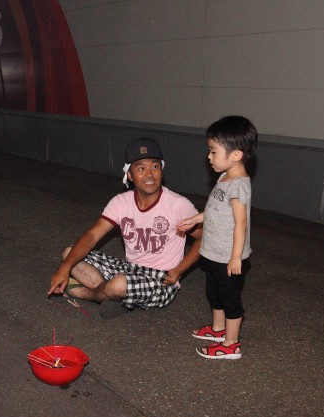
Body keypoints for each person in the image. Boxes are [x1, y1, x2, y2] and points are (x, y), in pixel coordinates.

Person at [48, 138, 203, 319]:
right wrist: (65, 267)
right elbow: (92, 235)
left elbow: (204, 238)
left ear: (161, 170)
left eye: (155, 166)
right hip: (128, 269)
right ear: (130, 175)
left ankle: (85, 293)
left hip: (161, 279)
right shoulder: (121, 202)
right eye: (141, 168)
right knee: (69, 254)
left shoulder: (177, 205)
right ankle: (116, 297)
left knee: (119, 285)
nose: (150, 174)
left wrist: (179, 270)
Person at [177, 115, 257, 360]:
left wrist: (236, 258)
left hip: (228, 257)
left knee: (230, 298)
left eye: (213, 151)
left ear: (236, 155)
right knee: (214, 292)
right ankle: (218, 329)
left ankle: (231, 344)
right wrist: (196, 219)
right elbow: (216, 210)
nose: (209, 157)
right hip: (213, 252)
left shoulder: (238, 185)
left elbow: (240, 223)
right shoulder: (224, 177)